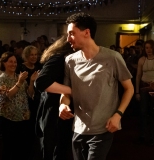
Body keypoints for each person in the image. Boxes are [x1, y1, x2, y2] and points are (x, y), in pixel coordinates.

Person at [59, 12, 134, 160]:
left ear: (87, 32)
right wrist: (62, 105)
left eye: (72, 34)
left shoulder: (112, 57)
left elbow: (129, 88)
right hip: (78, 129)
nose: (68, 39)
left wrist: (118, 115)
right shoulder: (70, 61)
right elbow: (67, 91)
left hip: (102, 129)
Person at [35, 36, 73, 160]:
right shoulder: (59, 58)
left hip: (53, 106)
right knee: (53, 147)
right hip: (53, 108)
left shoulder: (59, 56)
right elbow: (41, 82)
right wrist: (72, 90)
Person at [0, 52, 38, 160]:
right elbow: (7, 95)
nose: (13, 64)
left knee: (22, 147)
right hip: (8, 118)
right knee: (9, 148)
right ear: (4, 63)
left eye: (15, 62)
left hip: (23, 116)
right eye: (10, 61)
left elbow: (30, 94)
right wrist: (19, 82)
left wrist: (32, 81)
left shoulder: (19, 76)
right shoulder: (2, 78)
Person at [135, 39, 154, 145]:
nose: (149, 50)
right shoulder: (142, 60)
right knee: (143, 112)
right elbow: (138, 76)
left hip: (153, 87)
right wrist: (137, 92)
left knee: (153, 113)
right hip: (143, 87)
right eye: (147, 48)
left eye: (150, 47)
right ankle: (142, 135)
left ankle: (152, 136)